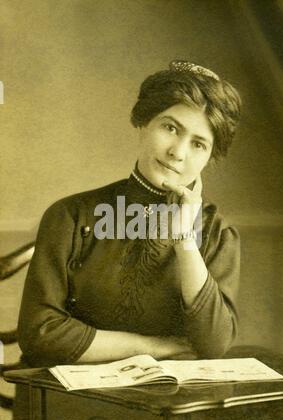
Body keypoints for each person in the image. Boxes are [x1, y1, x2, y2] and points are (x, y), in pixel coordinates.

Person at [17, 60, 242, 367]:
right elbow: (39, 334)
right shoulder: (70, 216)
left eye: (199, 144)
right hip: (70, 401)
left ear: (209, 158)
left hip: (169, 404)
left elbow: (214, 345)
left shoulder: (216, 233)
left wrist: (185, 241)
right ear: (143, 122)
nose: (178, 152)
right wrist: (152, 347)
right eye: (170, 127)